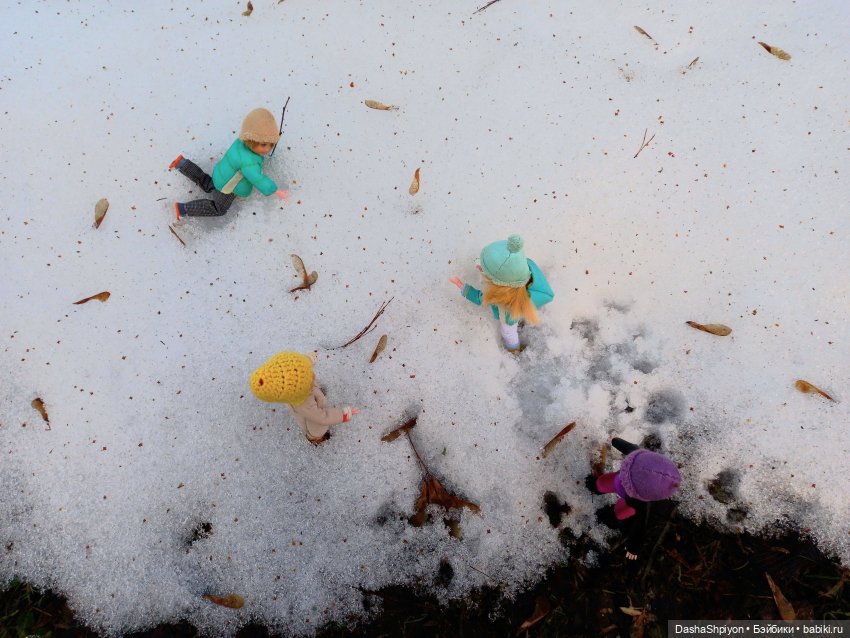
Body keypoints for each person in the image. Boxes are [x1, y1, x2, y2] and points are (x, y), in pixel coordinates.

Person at [169, 107, 288, 219]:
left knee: (208, 184)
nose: (268, 149)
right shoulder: (249, 162)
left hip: (220, 174)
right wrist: (275, 190)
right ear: (251, 139)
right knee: (219, 208)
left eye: (271, 144)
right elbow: (257, 178)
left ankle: (183, 164)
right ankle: (184, 209)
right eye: (263, 145)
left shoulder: (240, 142)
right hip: (228, 186)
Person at [450, 234, 553, 352]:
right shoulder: (521, 270)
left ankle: (514, 349)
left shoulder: (500, 299)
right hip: (521, 301)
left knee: (508, 333)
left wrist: (462, 286)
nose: (481, 269)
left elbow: (479, 298)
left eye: (485, 270)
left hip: (511, 316)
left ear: (498, 284)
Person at [587, 437, 681, 560]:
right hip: (616, 481)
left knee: (620, 512)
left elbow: (640, 526)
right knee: (602, 483)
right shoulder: (637, 457)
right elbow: (627, 446)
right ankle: (595, 487)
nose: (624, 474)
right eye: (625, 468)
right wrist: (615, 440)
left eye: (627, 478)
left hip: (629, 502)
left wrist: (633, 547)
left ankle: (610, 518)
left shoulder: (641, 503)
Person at [249, 351, 359, 445]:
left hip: (312, 395)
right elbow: (322, 417)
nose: (313, 375)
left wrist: (308, 359)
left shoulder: (294, 383)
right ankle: (316, 439)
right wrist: (343, 414)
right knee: (317, 431)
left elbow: (298, 364)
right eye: (308, 376)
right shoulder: (305, 404)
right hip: (315, 424)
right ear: (301, 388)